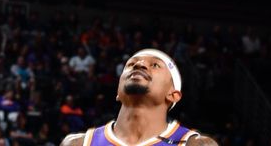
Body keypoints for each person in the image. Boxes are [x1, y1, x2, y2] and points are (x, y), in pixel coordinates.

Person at [60, 49, 218, 146]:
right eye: (130, 64)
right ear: (117, 91)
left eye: (155, 65)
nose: (139, 64)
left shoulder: (194, 144)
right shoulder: (77, 143)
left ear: (173, 94)